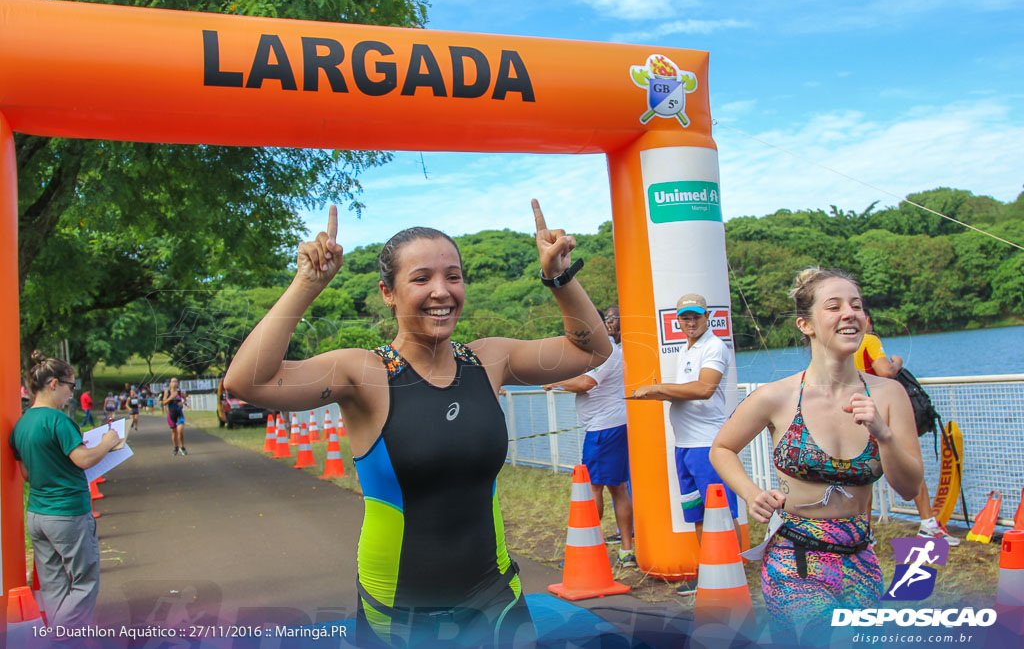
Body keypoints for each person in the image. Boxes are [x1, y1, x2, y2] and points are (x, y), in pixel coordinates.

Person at [224, 201, 610, 647]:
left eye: (453, 276)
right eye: (421, 278)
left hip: (496, 596)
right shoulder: (364, 373)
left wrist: (560, 278)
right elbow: (247, 381)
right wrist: (306, 286)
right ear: (388, 292)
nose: (441, 291)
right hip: (399, 611)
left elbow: (591, 352)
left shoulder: (490, 359)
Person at [710, 268, 923, 642]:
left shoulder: (889, 395)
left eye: (856, 305)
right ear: (805, 325)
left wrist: (884, 436)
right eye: (834, 306)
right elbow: (722, 448)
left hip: (860, 559)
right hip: (796, 559)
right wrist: (750, 493)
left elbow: (909, 487)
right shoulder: (777, 396)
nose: (850, 313)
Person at [630, 293, 738, 595]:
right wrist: (658, 394)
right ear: (677, 321)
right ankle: (709, 571)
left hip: (708, 446)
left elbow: (704, 389)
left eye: (696, 316)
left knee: (721, 513)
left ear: (708, 317)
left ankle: (731, 572)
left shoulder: (714, 346)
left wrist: (658, 387)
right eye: (685, 317)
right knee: (697, 513)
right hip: (685, 446)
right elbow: (685, 392)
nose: (691, 322)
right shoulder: (686, 350)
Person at [10, 351, 124, 633]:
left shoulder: (21, 424)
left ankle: (61, 634)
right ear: (53, 384)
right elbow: (83, 460)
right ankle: (63, 636)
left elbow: (26, 474)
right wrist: (109, 441)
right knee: (84, 581)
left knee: (53, 582)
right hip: (68, 512)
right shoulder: (59, 421)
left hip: (38, 514)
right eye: (70, 387)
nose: (71, 395)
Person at [856, 308, 958, 545]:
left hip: (859, 412)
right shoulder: (869, 340)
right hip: (883, 411)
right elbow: (885, 372)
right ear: (869, 321)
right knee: (912, 465)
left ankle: (864, 532)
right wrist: (896, 362)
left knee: (865, 475)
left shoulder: (844, 348)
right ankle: (928, 525)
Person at [543, 306, 635, 567]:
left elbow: (585, 383)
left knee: (594, 487)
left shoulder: (606, 353)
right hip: (608, 426)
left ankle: (590, 552)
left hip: (605, 428)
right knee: (617, 488)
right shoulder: (600, 352)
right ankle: (626, 551)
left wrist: (557, 382)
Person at [162, 378, 188, 456]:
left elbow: (185, 399)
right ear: (170, 384)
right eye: (173, 382)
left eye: (176, 382)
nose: (174, 383)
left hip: (179, 414)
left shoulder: (180, 392)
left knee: (180, 430)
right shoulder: (167, 392)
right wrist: (171, 397)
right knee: (174, 432)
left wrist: (183, 403)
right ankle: (175, 447)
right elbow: (164, 403)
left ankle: (182, 447)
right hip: (171, 414)